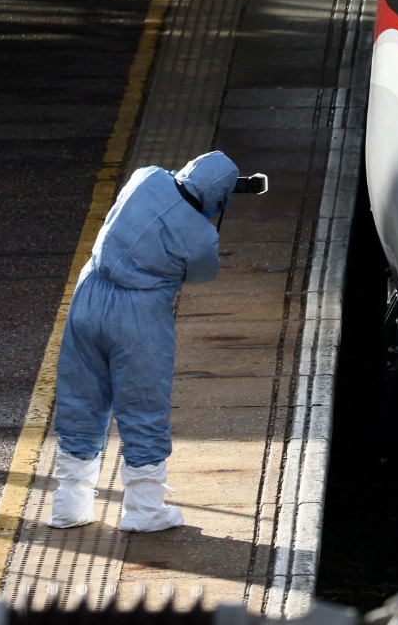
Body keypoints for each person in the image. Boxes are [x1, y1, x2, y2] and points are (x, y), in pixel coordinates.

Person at [48, 151, 242, 531]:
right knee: (142, 406)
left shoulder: (145, 177)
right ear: (220, 199)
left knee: (80, 398)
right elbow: (201, 274)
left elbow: (152, 189)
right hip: (139, 315)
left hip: (89, 296)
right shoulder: (203, 238)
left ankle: (68, 507)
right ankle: (144, 510)